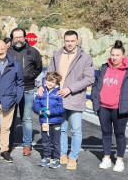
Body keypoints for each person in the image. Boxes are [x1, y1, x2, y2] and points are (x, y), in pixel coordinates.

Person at [38, 30, 94, 171]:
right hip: (58, 99)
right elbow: (48, 73)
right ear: (64, 41)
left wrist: (70, 89)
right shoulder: (57, 55)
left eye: (72, 41)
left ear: (77, 41)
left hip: (75, 98)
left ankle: (73, 157)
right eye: (67, 41)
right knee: (61, 129)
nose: (69, 43)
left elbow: (89, 78)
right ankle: (62, 154)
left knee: (76, 130)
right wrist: (41, 85)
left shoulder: (85, 57)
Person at [91, 40, 128, 173]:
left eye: (117, 55)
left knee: (120, 134)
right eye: (112, 54)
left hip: (120, 108)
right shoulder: (104, 67)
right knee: (106, 132)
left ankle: (119, 160)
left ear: (123, 56)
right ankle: (106, 158)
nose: (114, 57)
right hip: (103, 106)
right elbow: (96, 84)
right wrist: (94, 97)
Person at [7, 27, 43, 157]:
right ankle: (9, 143)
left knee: (26, 118)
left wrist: (30, 76)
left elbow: (39, 67)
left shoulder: (33, 52)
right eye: (15, 37)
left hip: (27, 89)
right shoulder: (7, 52)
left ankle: (27, 145)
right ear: (12, 38)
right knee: (10, 118)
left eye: (20, 36)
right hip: (11, 90)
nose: (18, 39)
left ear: (24, 37)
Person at [33, 72, 65, 168]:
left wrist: (51, 112)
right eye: (48, 81)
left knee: (56, 141)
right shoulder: (41, 92)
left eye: (52, 82)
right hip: (44, 121)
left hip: (55, 121)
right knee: (45, 140)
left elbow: (62, 107)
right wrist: (39, 111)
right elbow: (36, 104)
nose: (49, 83)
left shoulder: (59, 93)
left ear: (56, 83)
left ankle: (56, 158)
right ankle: (46, 157)